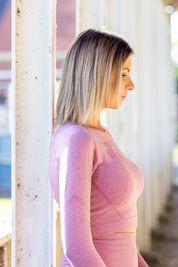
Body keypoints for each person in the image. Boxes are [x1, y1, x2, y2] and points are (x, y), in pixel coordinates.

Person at [48, 29, 149, 267]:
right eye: (124, 74)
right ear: (97, 73)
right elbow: (76, 248)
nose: (131, 85)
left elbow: (122, 235)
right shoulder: (77, 139)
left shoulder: (99, 134)